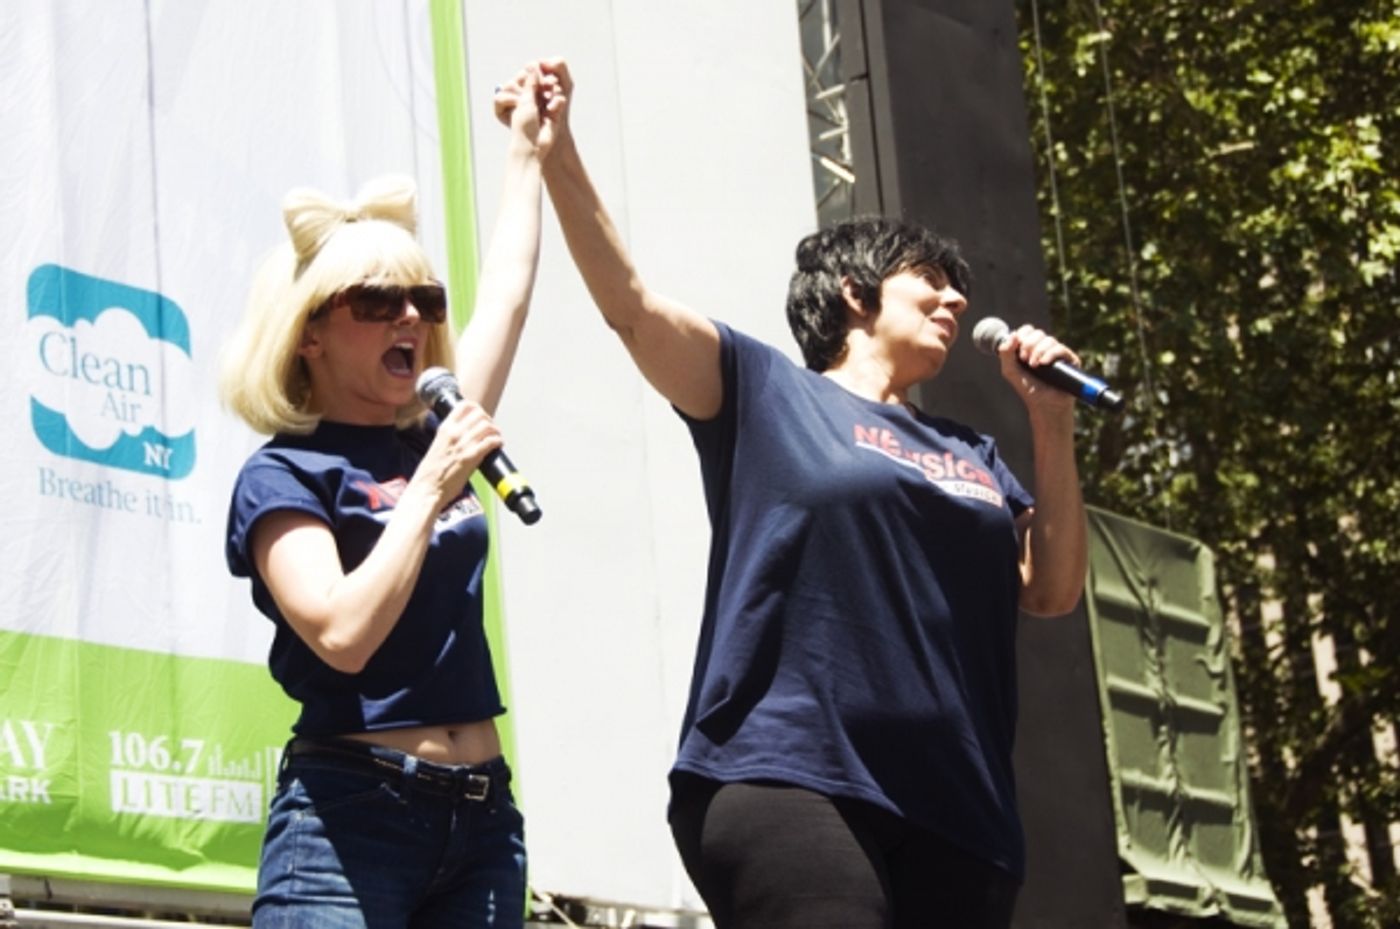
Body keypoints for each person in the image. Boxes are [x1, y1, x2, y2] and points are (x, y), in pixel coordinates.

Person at [495, 60, 1088, 929]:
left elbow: (1052, 587)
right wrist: (557, 153)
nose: (956, 297)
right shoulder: (767, 392)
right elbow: (629, 305)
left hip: (960, 811)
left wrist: (1051, 424)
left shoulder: (974, 452)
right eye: (931, 277)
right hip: (790, 776)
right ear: (856, 293)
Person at [220, 67, 563, 929]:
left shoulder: (429, 429)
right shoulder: (284, 475)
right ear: (311, 334)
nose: (409, 316)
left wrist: (528, 150)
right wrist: (434, 487)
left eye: (423, 299)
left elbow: (511, 296)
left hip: (482, 817)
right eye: (377, 303)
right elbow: (340, 632)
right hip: (351, 814)